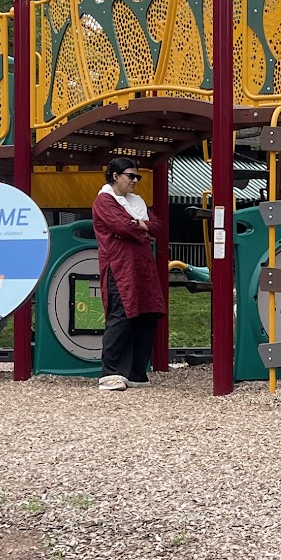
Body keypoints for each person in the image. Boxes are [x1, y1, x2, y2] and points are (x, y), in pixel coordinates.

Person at [92, 156, 166, 390]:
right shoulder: (104, 200)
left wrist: (141, 226)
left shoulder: (138, 202)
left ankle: (136, 371)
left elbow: (158, 227)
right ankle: (110, 371)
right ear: (115, 176)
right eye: (130, 176)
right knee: (122, 313)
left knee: (147, 314)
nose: (135, 180)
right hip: (119, 265)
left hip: (143, 266)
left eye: (137, 176)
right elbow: (121, 226)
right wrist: (143, 228)